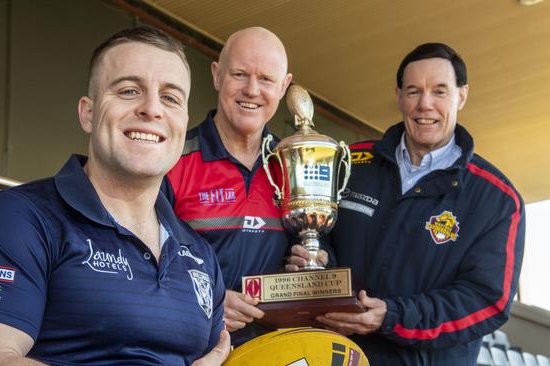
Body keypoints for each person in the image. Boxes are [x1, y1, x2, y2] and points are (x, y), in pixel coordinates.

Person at [0, 26, 230, 366]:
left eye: (170, 98)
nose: (152, 109)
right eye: (129, 90)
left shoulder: (200, 255)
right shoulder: (18, 217)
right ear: (88, 113)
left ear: (183, 121)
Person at [289, 43, 525, 365]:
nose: (424, 105)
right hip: (335, 356)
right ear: (399, 96)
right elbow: (322, 238)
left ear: (461, 96)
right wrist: (315, 259)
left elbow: (485, 301)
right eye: (414, 91)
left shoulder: (496, 199)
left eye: (439, 92)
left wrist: (392, 316)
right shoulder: (351, 163)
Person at [163, 27, 329, 343]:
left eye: (266, 79)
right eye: (240, 74)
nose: (252, 90)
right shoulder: (170, 159)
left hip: (271, 350)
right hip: (186, 349)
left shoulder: (295, 166)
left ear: (284, 86)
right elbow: (138, 259)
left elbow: (321, 249)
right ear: (216, 75)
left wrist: (312, 262)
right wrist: (207, 299)